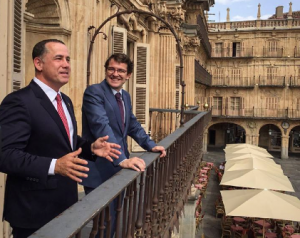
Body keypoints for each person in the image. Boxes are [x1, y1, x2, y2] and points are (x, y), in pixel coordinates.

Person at [0, 39, 121, 238]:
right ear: (38, 64)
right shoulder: (19, 101)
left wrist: (91, 148)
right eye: (58, 58)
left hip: (66, 207)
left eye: (68, 59)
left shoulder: (64, 99)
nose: (66, 64)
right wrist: (54, 166)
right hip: (33, 212)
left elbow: (66, 141)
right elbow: (5, 155)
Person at [81, 53, 166, 235]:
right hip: (99, 170)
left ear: (128, 75)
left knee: (114, 223)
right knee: (102, 225)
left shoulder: (124, 96)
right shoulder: (94, 92)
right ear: (106, 71)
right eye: (111, 69)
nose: (115, 74)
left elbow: (132, 124)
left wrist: (150, 144)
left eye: (121, 71)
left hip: (118, 170)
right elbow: (101, 126)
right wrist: (121, 159)